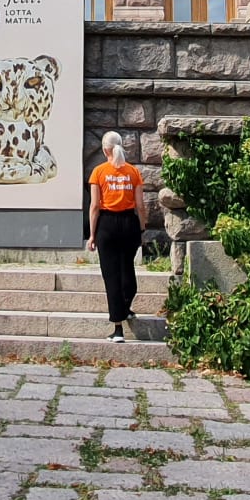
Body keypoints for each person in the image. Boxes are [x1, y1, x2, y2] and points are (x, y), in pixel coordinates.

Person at [86, 131, 147, 343]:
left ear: (105, 150)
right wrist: (142, 227)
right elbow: (140, 205)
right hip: (129, 223)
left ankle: (118, 327)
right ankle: (127, 305)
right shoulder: (134, 172)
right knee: (127, 268)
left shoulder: (98, 172)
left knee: (111, 275)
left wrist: (92, 234)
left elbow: (94, 206)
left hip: (107, 225)